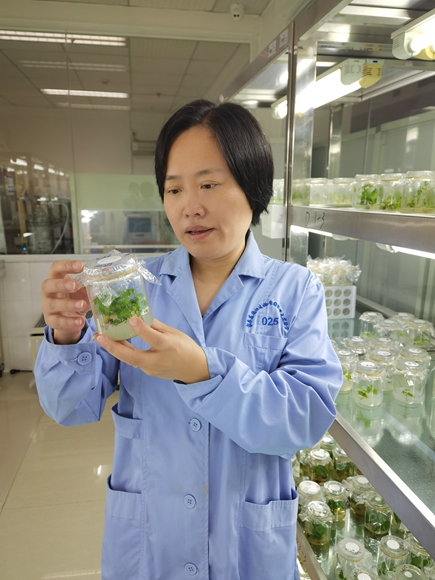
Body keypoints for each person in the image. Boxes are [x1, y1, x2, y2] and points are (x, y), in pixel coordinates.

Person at [35, 99, 342, 580]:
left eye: (208, 184)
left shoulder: (295, 289)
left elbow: (304, 418)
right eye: (174, 188)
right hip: (151, 540)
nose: (189, 206)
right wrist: (67, 335)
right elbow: (69, 406)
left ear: (253, 185)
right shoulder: (135, 287)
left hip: (245, 545)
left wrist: (202, 372)